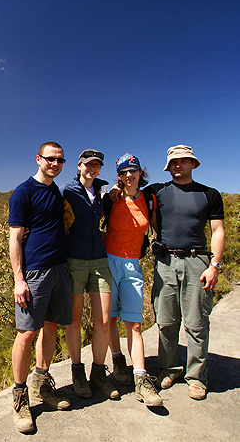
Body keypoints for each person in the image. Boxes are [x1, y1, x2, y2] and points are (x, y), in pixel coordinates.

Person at [148, 145, 225, 400]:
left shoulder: (209, 194)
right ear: (168, 167)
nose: (178, 166)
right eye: (173, 162)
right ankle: (169, 369)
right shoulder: (158, 192)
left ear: (193, 164)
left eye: (183, 161)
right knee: (166, 321)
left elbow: (217, 231)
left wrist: (214, 266)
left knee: (196, 322)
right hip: (165, 262)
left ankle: (196, 377)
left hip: (197, 261)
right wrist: (115, 190)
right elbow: (131, 190)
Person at [8, 142, 72, 433]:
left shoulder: (55, 192)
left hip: (60, 268)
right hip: (34, 272)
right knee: (26, 333)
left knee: (51, 326)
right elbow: (15, 237)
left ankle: (41, 384)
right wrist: (18, 280)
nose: (55, 164)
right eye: (50, 159)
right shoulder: (24, 192)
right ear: (38, 159)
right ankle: (20, 397)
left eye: (60, 160)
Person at [103, 153, 162, 407]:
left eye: (133, 171)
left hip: (132, 265)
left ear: (140, 172)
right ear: (119, 176)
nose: (129, 175)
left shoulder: (150, 199)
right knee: (110, 319)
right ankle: (117, 363)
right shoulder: (111, 198)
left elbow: (158, 229)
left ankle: (141, 379)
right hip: (107, 262)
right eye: (124, 172)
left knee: (134, 323)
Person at [59, 149, 118, 400]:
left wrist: (116, 189)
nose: (92, 169)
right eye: (88, 164)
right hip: (74, 261)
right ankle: (77, 371)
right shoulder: (67, 190)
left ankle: (98, 372)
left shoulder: (103, 193)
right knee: (73, 319)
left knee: (103, 319)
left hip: (99, 260)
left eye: (97, 165)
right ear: (79, 166)